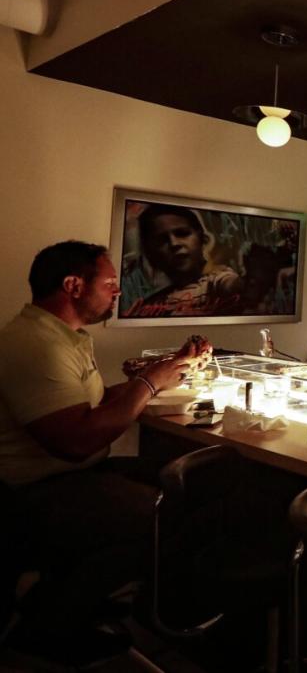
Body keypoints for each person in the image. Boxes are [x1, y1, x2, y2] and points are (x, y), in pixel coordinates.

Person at [0, 241, 200, 665]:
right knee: (169, 516)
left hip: (73, 473)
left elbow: (88, 404)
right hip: (37, 489)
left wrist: (162, 375)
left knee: (181, 479)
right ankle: (47, 625)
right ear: (73, 285)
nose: (117, 292)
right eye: (110, 283)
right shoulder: (36, 345)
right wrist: (146, 384)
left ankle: (75, 600)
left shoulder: (64, 336)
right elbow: (75, 442)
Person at [122, 203, 245, 317]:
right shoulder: (152, 304)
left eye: (183, 233)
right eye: (162, 240)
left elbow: (232, 285)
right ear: (151, 252)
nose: (174, 244)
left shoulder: (217, 282)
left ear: (202, 237)